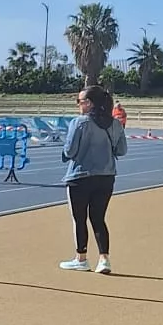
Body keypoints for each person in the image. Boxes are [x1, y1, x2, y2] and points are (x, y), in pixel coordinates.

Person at [60, 85, 127, 275]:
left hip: (80, 176)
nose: (78, 105)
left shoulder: (79, 123)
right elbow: (122, 150)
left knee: (79, 219)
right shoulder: (115, 124)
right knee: (98, 218)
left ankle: (81, 258)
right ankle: (104, 259)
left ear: (89, 104)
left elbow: (70, 151)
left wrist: (67, 152)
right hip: (106, 177)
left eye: (79, 101)